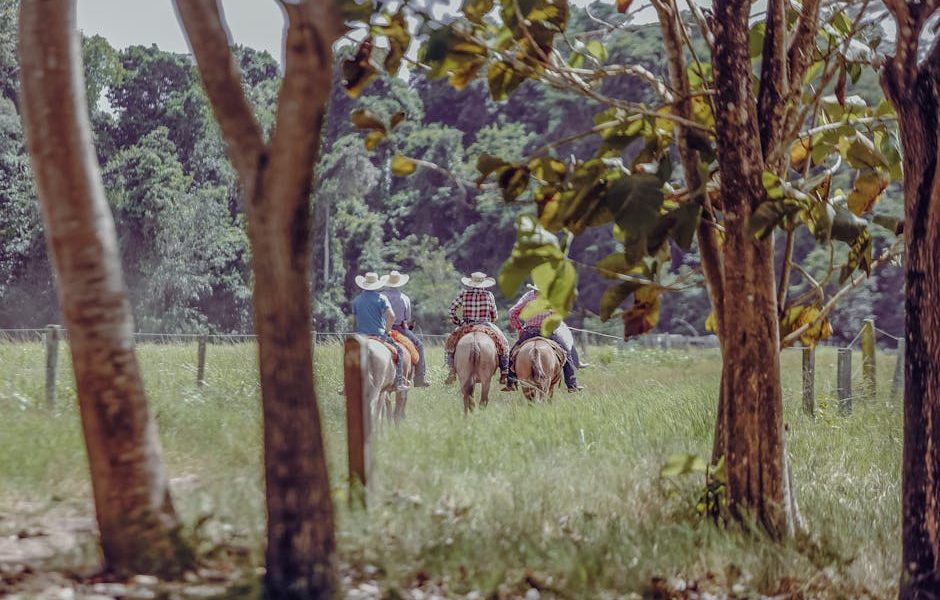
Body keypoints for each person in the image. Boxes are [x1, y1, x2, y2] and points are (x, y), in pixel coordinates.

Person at [507, 284, 583, 392]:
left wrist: (519, 328)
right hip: (547, 333)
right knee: (567, 354)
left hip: (529, 332)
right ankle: (572, 384)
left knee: (512, 354)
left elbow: (512, 312)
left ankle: (511, 381)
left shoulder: (528, 296)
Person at [444, 272, 511, 387]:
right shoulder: (489, 295)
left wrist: (458, 322)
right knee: (503, 344)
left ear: (471, 283)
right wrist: (491, 319)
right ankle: (504, 372)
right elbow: (494, 316)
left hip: (467, 325)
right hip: (485, 324)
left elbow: (451, 310)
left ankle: (451, 371)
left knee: (450, 344)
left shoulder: (464, 294)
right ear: (484, 283)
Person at [351, 271, 409, 392]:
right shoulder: (381, 298)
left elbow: (354, 321)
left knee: (349, 356)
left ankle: (346, 384)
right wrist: (386, 332)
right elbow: (392, 316)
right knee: (399, 351)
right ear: (376, 284)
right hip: (378, 334)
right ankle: (399, 381)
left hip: (362, 336)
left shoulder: (356, 300)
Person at [383, 270, 431, 387]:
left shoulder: (381, 296)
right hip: (399, 328)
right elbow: (407, 319)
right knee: (419, 345)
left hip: (382, 328)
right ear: (400, 283)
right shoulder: (405, 298)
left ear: (388, 282)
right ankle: (419, 378)